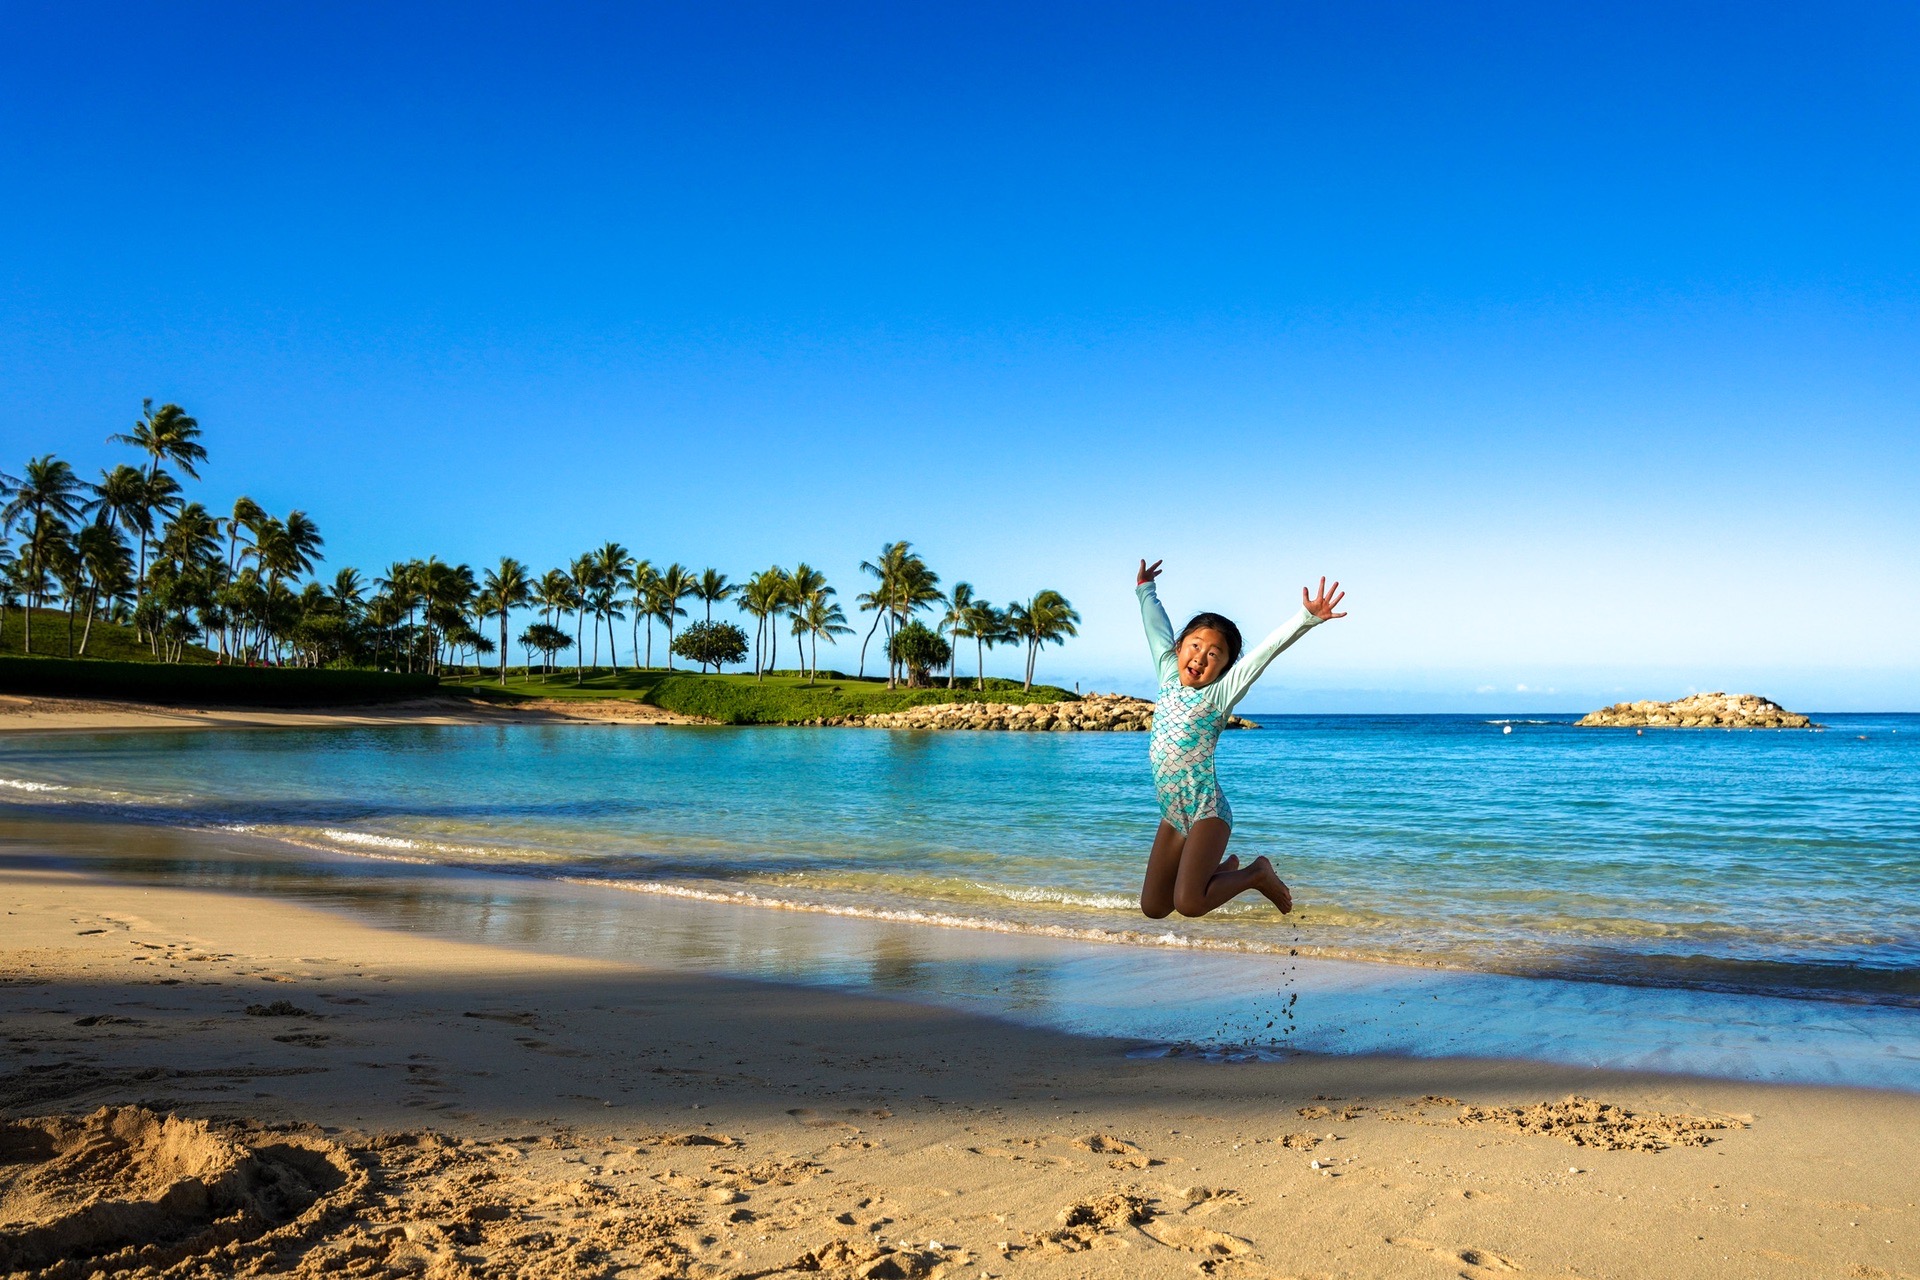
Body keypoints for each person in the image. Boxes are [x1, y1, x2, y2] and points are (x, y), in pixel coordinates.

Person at [1135, 559, 1345, 920]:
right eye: (1195, 645)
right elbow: (1156, 630)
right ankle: (1223, 869)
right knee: (1154, 907)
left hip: (1206, 812)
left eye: (1214, 654)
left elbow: (1265, 651)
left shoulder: (1218, 694)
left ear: (1225, 668)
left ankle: (1255, 873)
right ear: (1180, 646)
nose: (1200, 657)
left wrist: (1306, 618)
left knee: (1189, 904)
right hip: (1172, 814)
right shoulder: (1168, 675)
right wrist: (1145, 590)